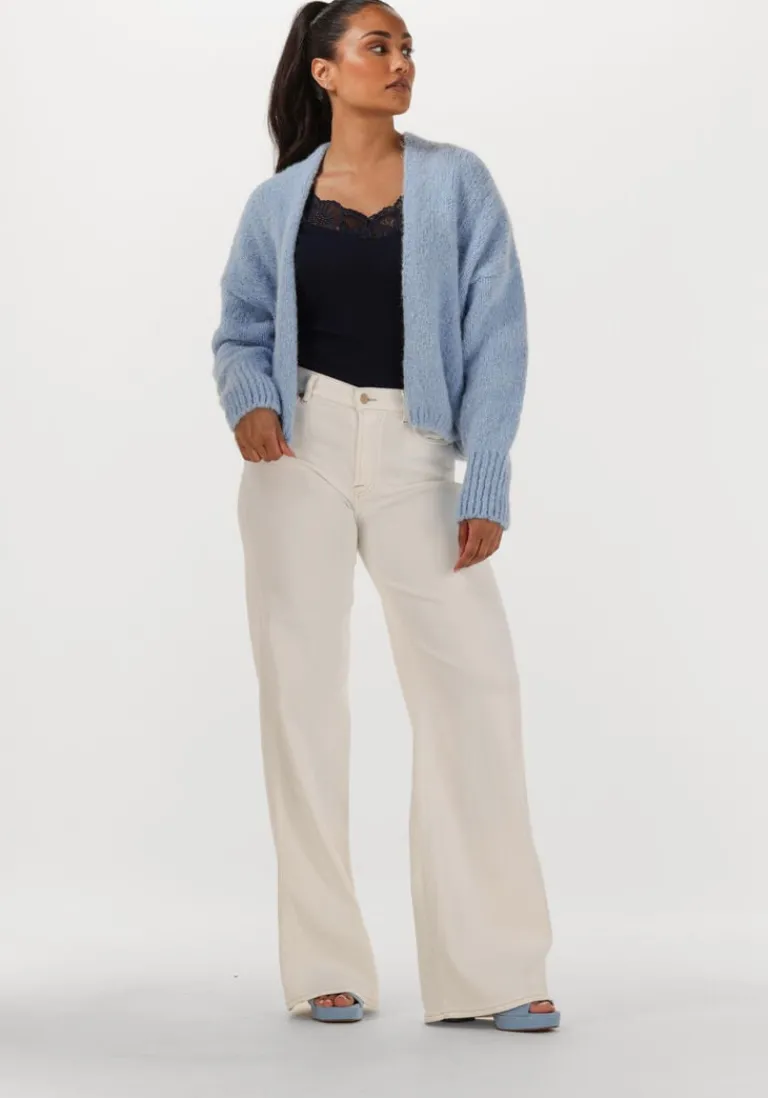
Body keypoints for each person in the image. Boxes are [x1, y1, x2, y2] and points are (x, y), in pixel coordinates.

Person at [210, 0, 560, 1032]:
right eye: (378, 46)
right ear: (325, 71)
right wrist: (252, 402)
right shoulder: (276, 202)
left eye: (407, 47)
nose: (401, 61)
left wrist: (485, 478)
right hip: (298, 453)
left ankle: (494, 971)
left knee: (475, 695)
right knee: (302, 703)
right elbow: (240, 330)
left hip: (417, 456)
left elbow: (499, 335)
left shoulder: (458, 181)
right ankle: (327, 963)